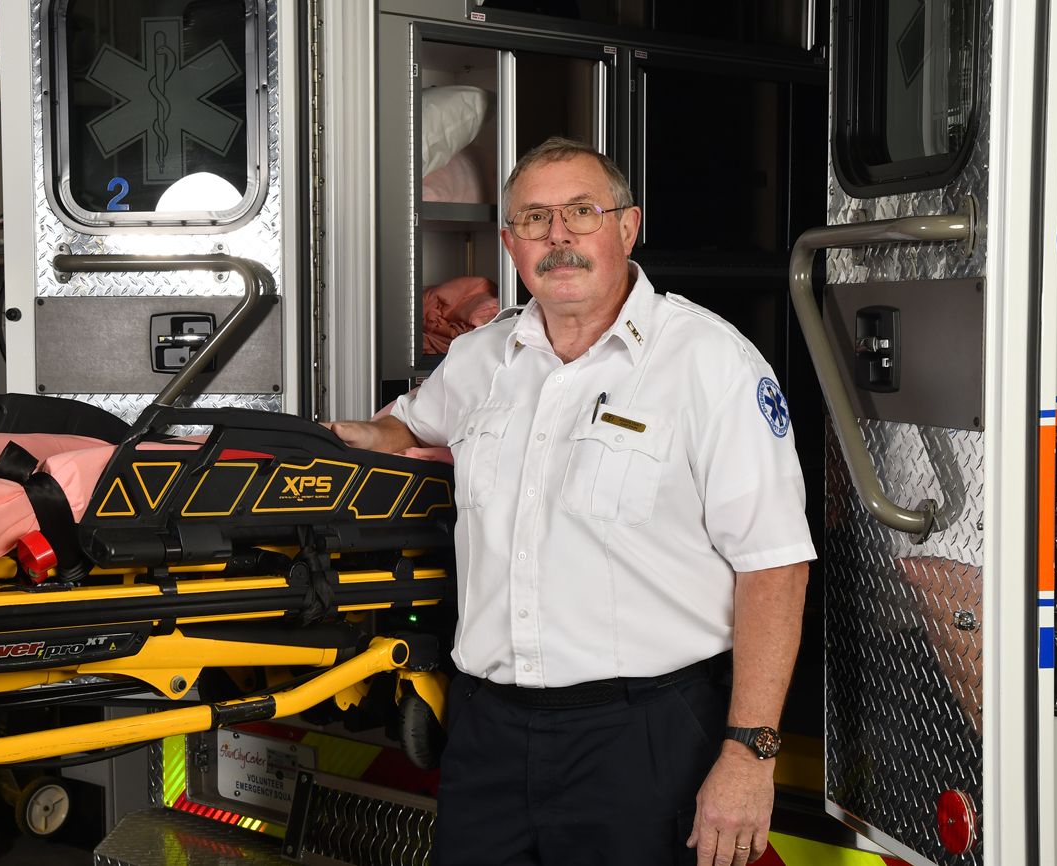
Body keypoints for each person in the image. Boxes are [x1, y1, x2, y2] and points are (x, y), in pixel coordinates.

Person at [326, 137, 814, 866]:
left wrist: (748, 754)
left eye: (582, 212)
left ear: (626, 227)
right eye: (534, 218)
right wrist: (353, 436)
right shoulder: (481, 358)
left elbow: (774, 568)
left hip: (642, 738)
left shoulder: (711, 364)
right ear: (510, 242)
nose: (558, 236)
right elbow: (408, 424)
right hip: (488, 733)